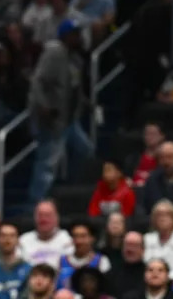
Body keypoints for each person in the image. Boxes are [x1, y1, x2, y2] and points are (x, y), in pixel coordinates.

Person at [28, 20, 94, 203]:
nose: (78, 37)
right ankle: (36, 202)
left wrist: (84, 102)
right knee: (47, 163)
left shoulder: (75, 57)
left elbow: (72, 85)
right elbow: (38, 81)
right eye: (74, 34)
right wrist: (43, 106)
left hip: (69, 119)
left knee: (86, 151)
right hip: (52, 118)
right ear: (65, 36)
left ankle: (70, 186)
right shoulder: (54, 52)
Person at [0, 222, 32, 299]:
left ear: (18, 240)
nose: (7, 240)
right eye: (3, 235)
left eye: (12, 236)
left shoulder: (28, 269)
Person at [57, 221, 111, 290]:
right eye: (75, 236)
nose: (78, 241)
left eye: (83, 236)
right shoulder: (61, 261)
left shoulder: (101, 261)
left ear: (92, 238)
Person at [20, 201, 74, 269]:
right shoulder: (23, 241)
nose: (43, 219)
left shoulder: (68, 241)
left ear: (56, 218)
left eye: (47, 215)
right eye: (40, 215)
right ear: (34, 218)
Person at [144, 200, 173, 279]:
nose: (163, 218)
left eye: (167, 215)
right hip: (152, 281)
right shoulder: (147, 239)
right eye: (159, 215)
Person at [138, 144, 173, 213]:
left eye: (170, 157)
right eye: (162, 157)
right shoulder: (152, 180)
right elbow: (143, 207)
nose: (166, 162)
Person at [105, 232, 145, 297]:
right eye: (127, 245)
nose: (130, 249)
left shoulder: (149, 274)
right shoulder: (111, 274)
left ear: (143, 249)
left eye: (134, 245)